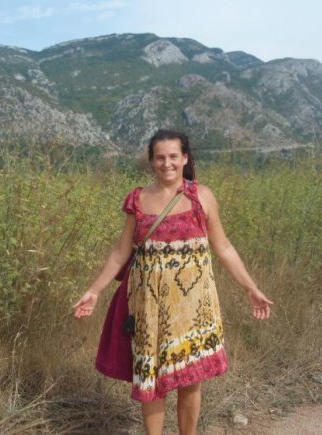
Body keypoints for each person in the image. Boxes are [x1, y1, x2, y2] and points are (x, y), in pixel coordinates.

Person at [73, 130, 273, 435]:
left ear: (185, 158)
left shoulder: (201, 196)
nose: (167, 163)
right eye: (160, 157)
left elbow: (223, 247)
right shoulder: (138, 199)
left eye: (173, 156)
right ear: (152, 161)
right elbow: (120, 252)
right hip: (149, 306)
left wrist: (251, 288)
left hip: (193, 306)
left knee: (190, 379)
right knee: (151, 381)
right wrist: (93, 291)